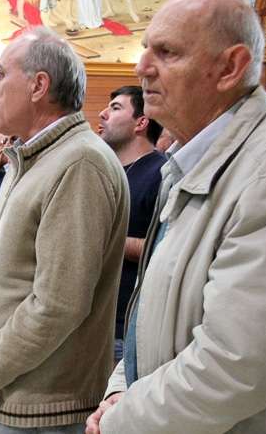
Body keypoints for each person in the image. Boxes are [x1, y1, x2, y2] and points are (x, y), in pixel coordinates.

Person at [85, 0, 266, 434]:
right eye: (145, 50)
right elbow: (156, 310)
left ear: (230, 68)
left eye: (167, 52)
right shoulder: (194, 161)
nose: (141, 68)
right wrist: (122, 386)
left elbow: (239, 364)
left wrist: (126, 418)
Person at [0, 27, 129, 433]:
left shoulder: (80, 162)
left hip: (40, 405)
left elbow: (58, 303)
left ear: (38, 85)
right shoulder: (31, 157)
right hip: (4, 388)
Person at [98, 85, 166, 363]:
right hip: (97, 317)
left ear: (141, 122)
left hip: (125, 324)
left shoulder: (160, 172)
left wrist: (100, 241)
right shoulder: (107, 169)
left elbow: (162, 248)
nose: (102, 114)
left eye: (115, 108)